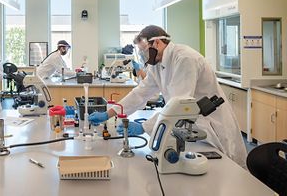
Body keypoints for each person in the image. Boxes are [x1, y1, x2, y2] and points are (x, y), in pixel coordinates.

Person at [88, 25, 247, 167]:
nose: (143, 55)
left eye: (144, 49)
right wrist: (108, 113)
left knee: (223, 175)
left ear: (156, 42)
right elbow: (140, 92)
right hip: (188, 126)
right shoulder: (157, 64)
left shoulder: (184, 58)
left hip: (210, 126)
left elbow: (179, 104)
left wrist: (144, 127)